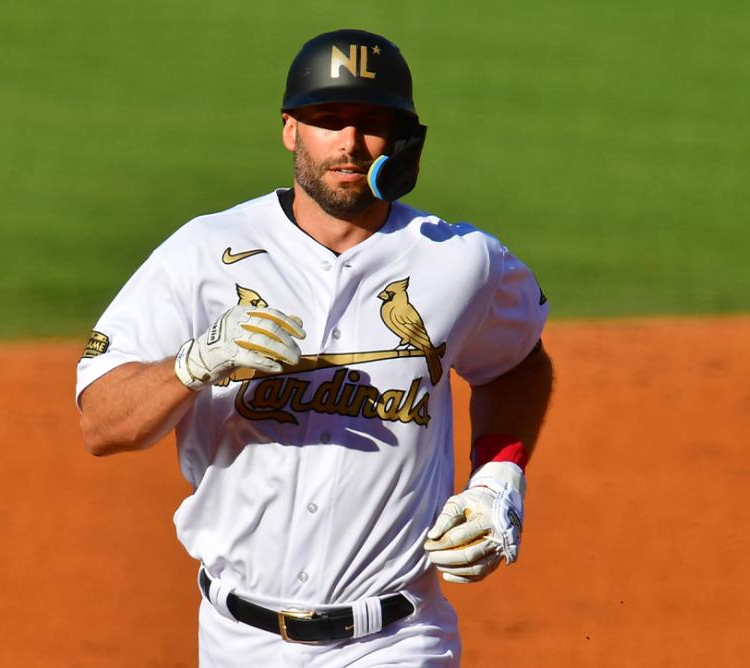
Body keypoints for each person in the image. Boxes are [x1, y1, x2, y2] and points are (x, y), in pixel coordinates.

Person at [76, 28, 553, 667]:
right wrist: (193, 365)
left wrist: (499, 476)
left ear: (404, 139)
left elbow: (518, 363)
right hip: (237, 643)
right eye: (328, 119)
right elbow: (101, 423)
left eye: (371, 122)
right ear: (290, 129)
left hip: (398, 641)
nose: (349, 143)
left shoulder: (461, 261)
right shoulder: (203, 252)